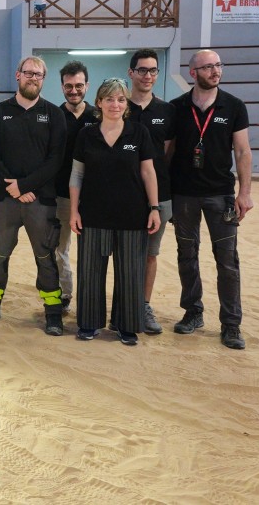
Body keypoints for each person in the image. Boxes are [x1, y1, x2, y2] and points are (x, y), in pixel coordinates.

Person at [168, 49, 254, 350]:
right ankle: (193, 313)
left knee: (227, 261)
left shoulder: (234, 106)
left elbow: (242, 151)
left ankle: (231, 325)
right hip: (184, 195)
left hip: (221, 195)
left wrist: (245, 193)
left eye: (218, 65)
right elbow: (169, 152)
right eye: (208, 67)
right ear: (193, 73)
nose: (215, 71)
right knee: (187, 255)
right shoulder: (177, 107)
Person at [0, 56, 67, 335]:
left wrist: (26, 186)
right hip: (4, 199)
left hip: (41, 200)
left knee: (45, 256)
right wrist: (13, 188)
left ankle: (53, 312)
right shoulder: (0, 112)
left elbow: (56, 159)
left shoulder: (54, 114)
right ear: (18, 75)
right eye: (28, 73)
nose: (33, 78)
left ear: (43, 79)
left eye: (38, 74)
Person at [69, 78, 161, 346]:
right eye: (109, 99)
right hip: (93, 214)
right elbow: (77, 174)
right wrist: (74, 211)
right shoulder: (86, 135)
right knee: (90, 271)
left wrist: (154, 208)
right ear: (99, 102)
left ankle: (126, 325)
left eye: (120, 99)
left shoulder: (139, 132)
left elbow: (148, 172)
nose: (115, 104)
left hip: (132, 215)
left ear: (126, 103)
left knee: (130, 272)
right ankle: (89, 322)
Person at [126, 49, 176, 335]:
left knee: (149, 255)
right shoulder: (118, 106)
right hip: (124, 196)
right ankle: (123, 306)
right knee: (123, 254)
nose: (148, 76)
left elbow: (168, 153)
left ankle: (143, 306)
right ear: (131, 73)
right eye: (142, 70)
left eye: (153, 70)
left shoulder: (167, 111)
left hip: (159, 197)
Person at [53, 61, 95, 314]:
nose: (74, 90)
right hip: (61, 195)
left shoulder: (98, 116)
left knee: (90, 252)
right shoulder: (55, 116)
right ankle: (65, 294)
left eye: (79, 85)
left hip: (92, 198)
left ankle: (89, 300)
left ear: (87, 86)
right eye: (69, 86)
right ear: (62, 87)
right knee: (60, 249)